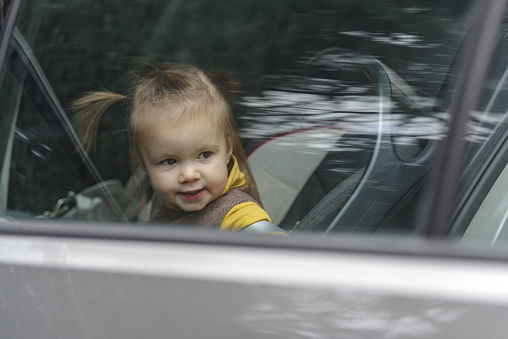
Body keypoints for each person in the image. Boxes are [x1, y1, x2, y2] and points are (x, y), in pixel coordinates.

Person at [73, 62, 283, 233]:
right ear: (143, 165)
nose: (189, 175)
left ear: (228, 149)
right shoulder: (162, 212)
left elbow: (281, 255)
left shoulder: (237, 215)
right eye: (169, 161)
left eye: (204, 154)